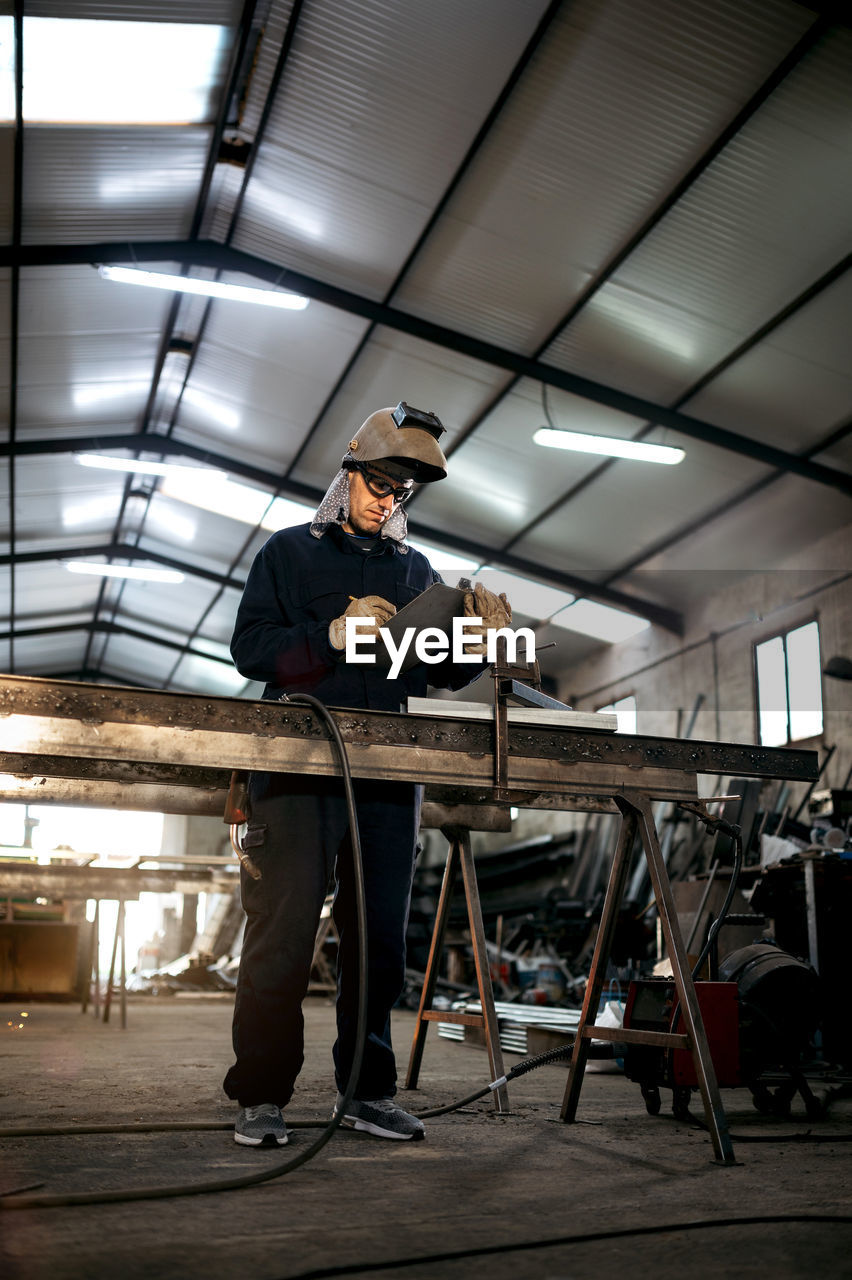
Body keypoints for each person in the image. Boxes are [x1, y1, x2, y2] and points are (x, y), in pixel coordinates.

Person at [223, 403, 511, 1146]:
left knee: (379, 938)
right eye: (380, 483)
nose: (389, 500)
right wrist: (328, 634)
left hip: (387, 775)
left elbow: (438, 672)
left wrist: (476, 642)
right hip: (297, 771)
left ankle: (365, 1090)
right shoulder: (287, 554)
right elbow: (251, 649)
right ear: (347, 474)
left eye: (403, 491)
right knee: (282, 936)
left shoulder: (417, 572)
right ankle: (262, 1094)